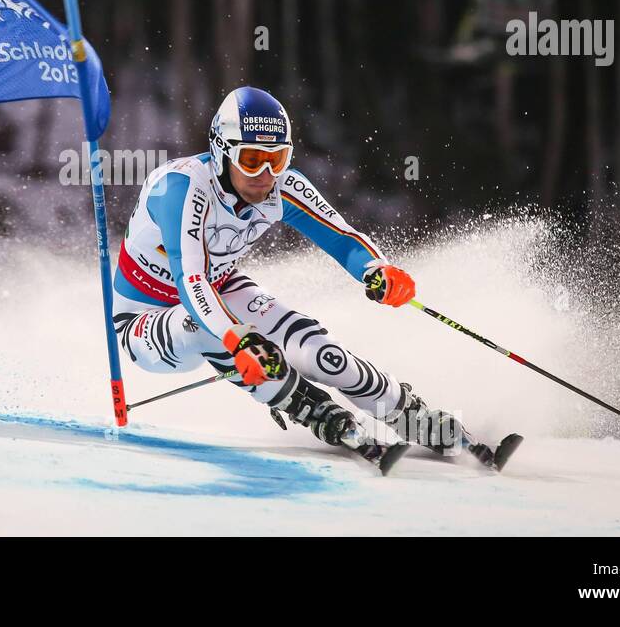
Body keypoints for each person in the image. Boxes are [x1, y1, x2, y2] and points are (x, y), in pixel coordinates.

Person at [114, 86, 477, 461]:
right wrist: (238, 340)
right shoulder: (182, 187)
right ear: (222, 152)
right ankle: (311, 408)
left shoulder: (280, 185)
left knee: (316, 349)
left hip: (220, 290)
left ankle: (409, 415)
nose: (266, 174)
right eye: (252, 159)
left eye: (278, 158)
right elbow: (192, 280)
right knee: (212, 330)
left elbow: (342, 239)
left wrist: (378, 270)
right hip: (145, 319)